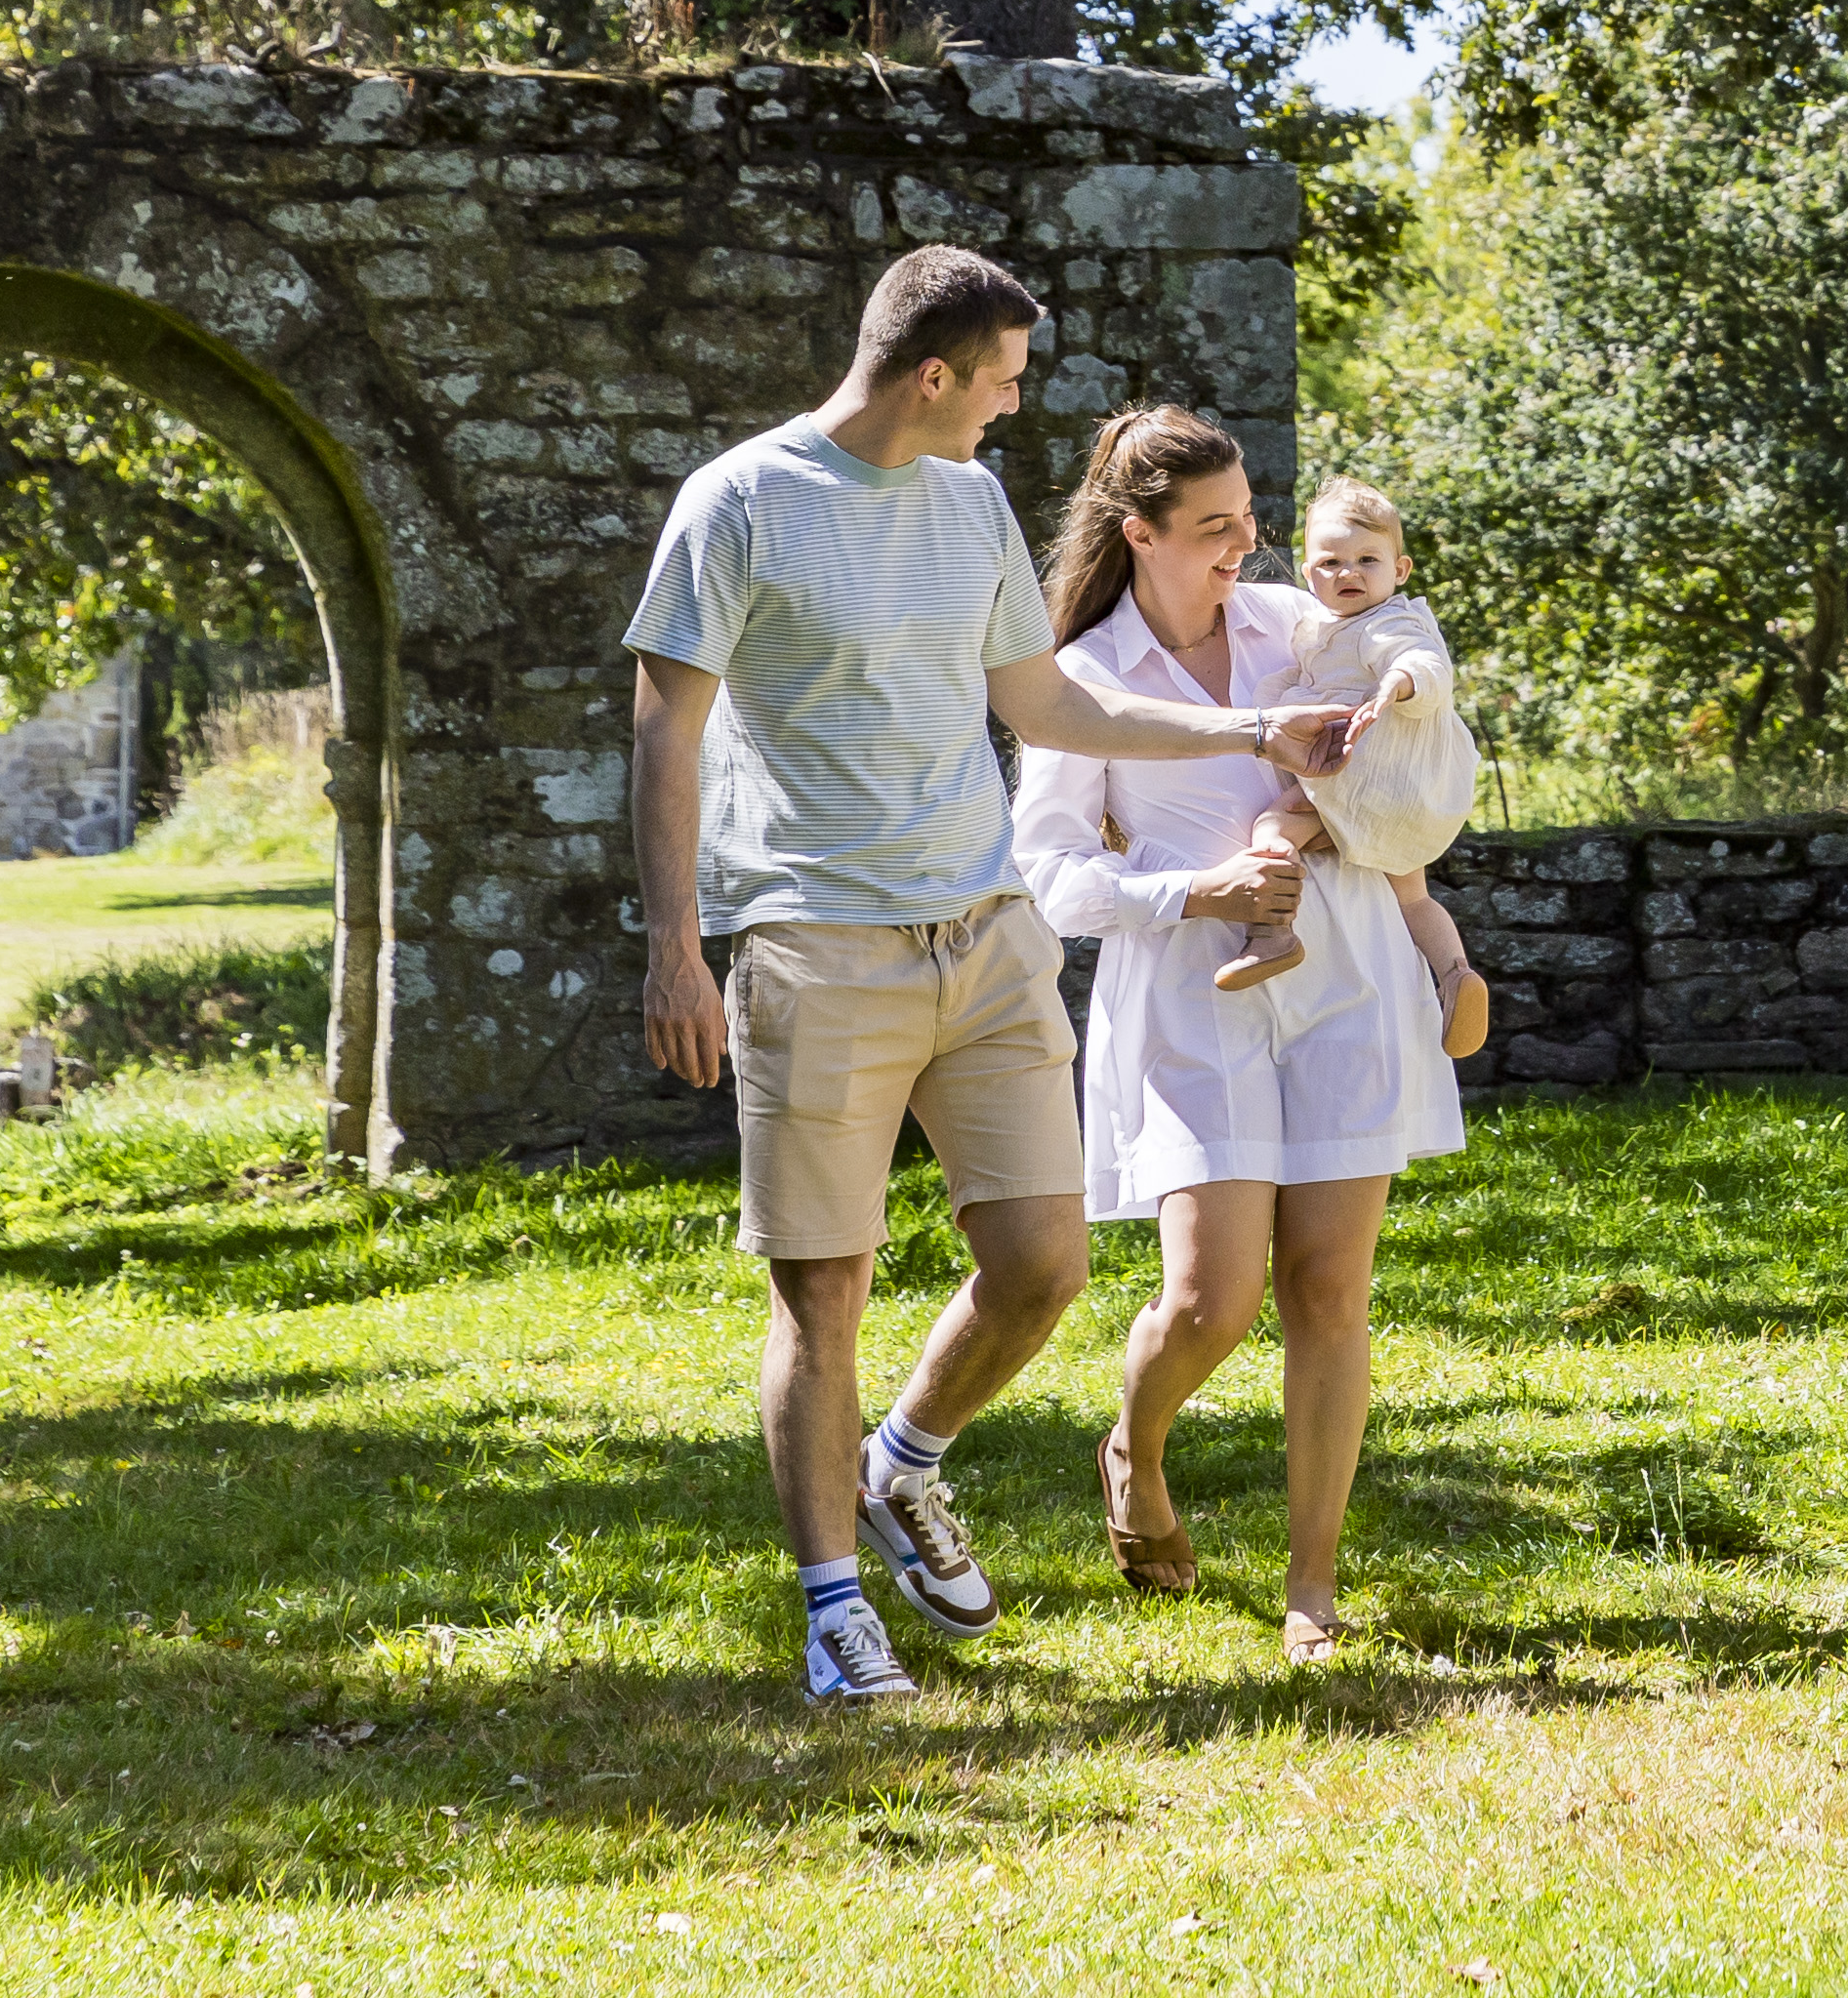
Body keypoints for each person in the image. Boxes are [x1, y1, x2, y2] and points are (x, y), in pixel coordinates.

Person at [628, 247, 1358, 1708]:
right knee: (822, 1288)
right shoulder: (740, 502)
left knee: (1044, 1265)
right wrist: (675, 946)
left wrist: (1248, 735)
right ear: (935, 374)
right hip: (815, 944)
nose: (1018, 410)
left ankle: (902, 1464)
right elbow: (665, 730)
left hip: (989, 933)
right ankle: (837, 1612)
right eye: (1007, 378)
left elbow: (1045, 700)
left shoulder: (967, 503)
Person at [1013, 405, 1469, 1667]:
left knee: (1329, 1286)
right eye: (1213, 529)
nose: (1244, 549)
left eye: (1248, 520)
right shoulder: (1082, 675)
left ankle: (1311, 1589)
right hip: (1186, 994)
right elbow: (1048, 872)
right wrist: (1186, 894)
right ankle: (1136, 1448)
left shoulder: (1297, 625)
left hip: (1342, 975)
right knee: (1211, 1299)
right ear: (1140, 532)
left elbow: (1409, 693)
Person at [1201, 479, 1492, 1057]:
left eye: (1367, 560)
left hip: (1363, 777)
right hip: (1399, 790)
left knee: (1274, 828)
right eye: (1331, 562)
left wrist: (1397, 683)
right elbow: (1301, 680)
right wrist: (1283, 691)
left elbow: (1419, 660)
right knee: (1413, 897)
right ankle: (1457, 974)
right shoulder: (1321, 629)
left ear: (1400, 569)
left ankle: (1273, 934)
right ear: (1308, 574)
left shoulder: (1389, 624)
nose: (1348, 573)